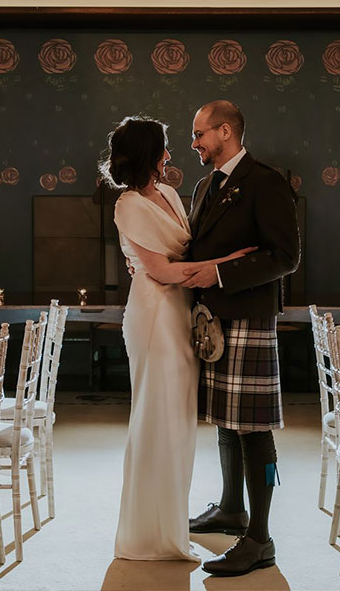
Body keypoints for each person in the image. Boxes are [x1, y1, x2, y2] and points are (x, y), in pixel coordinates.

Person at [99, 115, 255, 562]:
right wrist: (229, 263)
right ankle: (146, 536)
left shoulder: (167, 193)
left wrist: (222, 260)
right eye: (165, 147)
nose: (171, 154)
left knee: (179, 422)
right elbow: (164, 271)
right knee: (156, 419)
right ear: (149, 154)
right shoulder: (128, 205)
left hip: (180, 312)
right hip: (152, 315)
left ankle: (169, 522)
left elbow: (187, 253)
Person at [183, 100, 300, 577]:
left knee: (254, 429)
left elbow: (286, 256)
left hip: (250, 318)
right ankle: (232, 507)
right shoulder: (206, 185)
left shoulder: (266, 181)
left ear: (225, 130)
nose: (195, 144)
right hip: (215, 321)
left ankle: (261, 538)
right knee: (225, 421)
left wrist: (221, 273)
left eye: (200, 135)